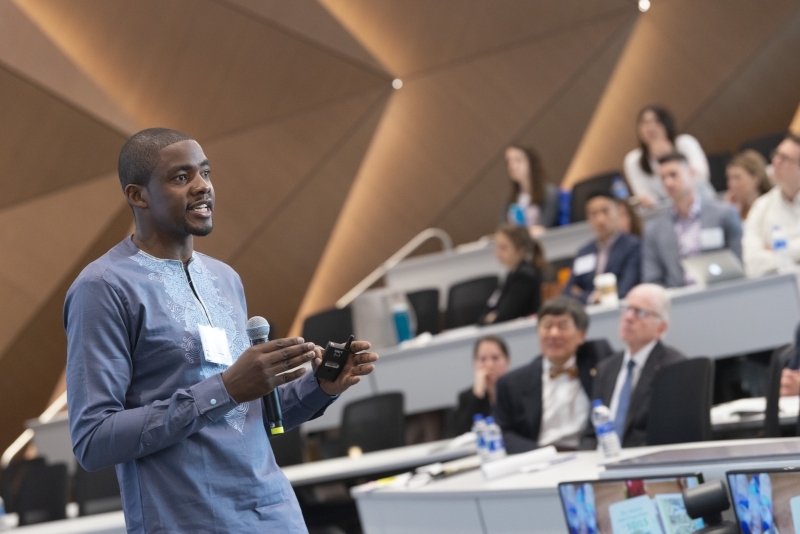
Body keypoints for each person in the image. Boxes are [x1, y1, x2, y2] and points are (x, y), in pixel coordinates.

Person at [64, 128, 378, 534]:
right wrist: (225, 388)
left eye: (205, 173)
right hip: (190, 520)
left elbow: (245, 419)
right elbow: (94, 439)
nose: (203, 187)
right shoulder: (103, 288)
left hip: (274, 514)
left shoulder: (225, 278)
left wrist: (320, 386)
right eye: (181, 178)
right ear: (138, 196)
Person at [493, 297, 609, 453]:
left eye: (563, 326)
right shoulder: (513, 383)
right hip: (541, 459)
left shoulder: (599, 360)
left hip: (590, 454)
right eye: (547, 326)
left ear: (581, 335)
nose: (554, 334)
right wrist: (543, 454)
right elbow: (502, 433)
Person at [580, 284, 686, 449]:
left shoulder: (673, 367)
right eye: (626, 308)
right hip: (599, 462)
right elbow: (591, 433)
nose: (628, 317)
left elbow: (667, 434)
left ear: (661, 327)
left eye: (640, 312)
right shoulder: (606, 367)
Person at [642, 152, 742, 287]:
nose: (668, 182)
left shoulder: (724, 214)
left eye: (673, 175)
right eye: (663, 178)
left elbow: (739, 262)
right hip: (678, 300)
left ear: (691, 173)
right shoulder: (654, 229)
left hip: (720, 291)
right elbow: (652, 278)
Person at [623, 105, 712, 207]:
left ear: (667, 124)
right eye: (645, 123)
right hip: (664, 212)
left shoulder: (685, 143)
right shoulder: (633, 160)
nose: (651, 127)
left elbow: (702, 177)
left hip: (701, 201)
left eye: (657, 121)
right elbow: (644, 196)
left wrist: (671, 155)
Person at [563, 192, 641, 303]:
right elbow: (567, 292)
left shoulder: (632, 246)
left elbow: (625, 290)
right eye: (593, 214)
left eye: (605, 211)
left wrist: (584, 295)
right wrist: (592, 298)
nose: (600, 219)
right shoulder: (584, 252)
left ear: (618, 212)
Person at [742, 133, 800, 276]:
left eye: (784, 158)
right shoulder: (761, 206)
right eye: (776, 155)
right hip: (779, 289)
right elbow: (752, 263)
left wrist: (775, 250)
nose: (775, 161)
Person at [479, 224, 545, 325]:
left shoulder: (524, 276)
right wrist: (487, 318)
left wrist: (493, 317)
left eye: (504, 248)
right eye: (497, 247)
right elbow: (488, 310)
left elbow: (505, 315)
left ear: (520, 250)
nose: (498, 253)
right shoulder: (511, 274)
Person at [452, 336, 511, 435]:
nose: (489, 364)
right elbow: (462, 435)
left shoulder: (517, 391)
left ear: (507, 361)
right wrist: (478, 395)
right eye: (483, 359)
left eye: (495, 358)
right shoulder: (466, 398)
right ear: (474, 363)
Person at [503, 145, 560, 235]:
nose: (512, 166)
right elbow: (502, 229)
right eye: (509, 161)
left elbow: (545, 227)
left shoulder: (549, 192)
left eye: (518, 160)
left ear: (530, 162)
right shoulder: (510, 198)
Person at [724, 149, 771, 220]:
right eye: (729, 178)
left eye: (737, 178)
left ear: (755, 178)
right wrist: (729, 212)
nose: (731, 184)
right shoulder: (731, 206)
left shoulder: (771, 205)